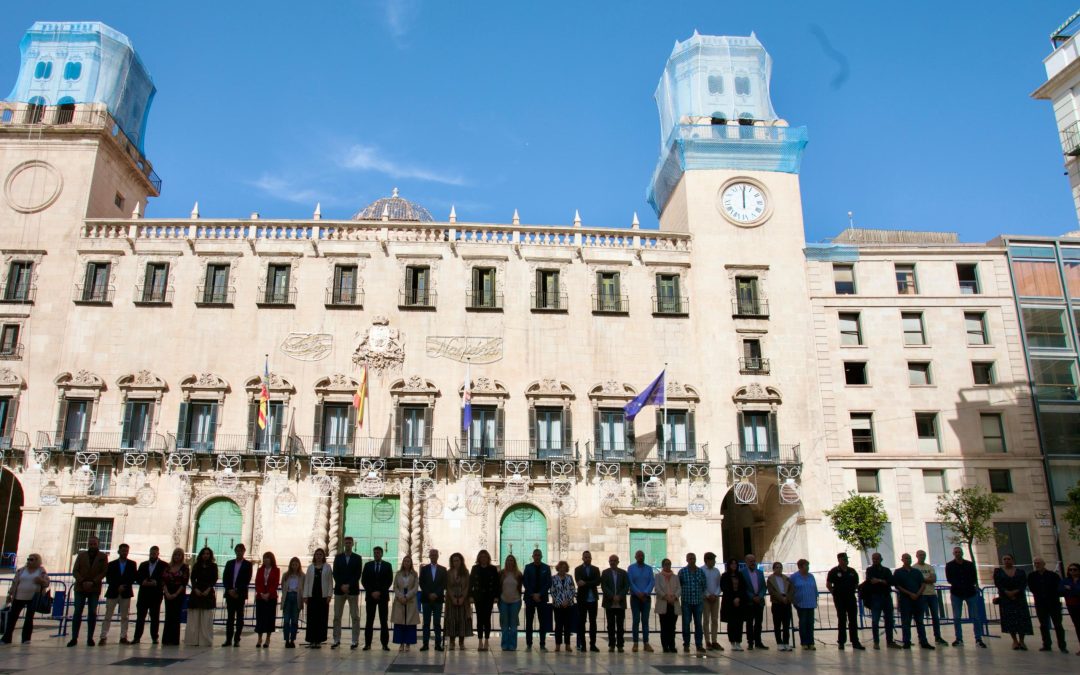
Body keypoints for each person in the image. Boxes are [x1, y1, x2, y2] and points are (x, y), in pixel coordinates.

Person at [68, 535, 107, 647]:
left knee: (92, 613)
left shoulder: (102, 556)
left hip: (94, 588)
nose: (92, 546)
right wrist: (83, 581)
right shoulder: (81, 555)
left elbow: (104, 571)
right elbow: (75, 570)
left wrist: (93, 582)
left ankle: (90, 638)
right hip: (80, 587)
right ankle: (74, 637)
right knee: (77, 612)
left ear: (98, 544)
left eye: (94, 544)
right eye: (90, 544)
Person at [1, 552, 49, 644]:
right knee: (12, 617)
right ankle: (6, 638)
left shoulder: (41, 571)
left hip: (32, 597)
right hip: (19, 596)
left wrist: (41, 580)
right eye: (28, 559)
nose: (29, 561)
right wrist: (10, 594)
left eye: (32, 559)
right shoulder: (22, 570)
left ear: (37, 561)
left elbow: (47, 582)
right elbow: (15, 582)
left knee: (29, 618)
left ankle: (26, 638)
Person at [944, 546, 985, 647]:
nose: (958, 553)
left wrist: (969, 585)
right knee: (957, 617)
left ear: (962, 553)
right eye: (956, 552)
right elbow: (949, 579)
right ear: (954, 554)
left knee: (975, 617)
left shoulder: (969, 564)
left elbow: (974, 577)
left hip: (970, 592)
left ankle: (978, 638)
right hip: (956, 593)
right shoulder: (949, 565)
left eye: (959, 552)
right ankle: (959, 638)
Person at [99, 542, 137, 645]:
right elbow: (109, 578)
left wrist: (123, 586)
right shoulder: (111, 564)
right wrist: (117, 586)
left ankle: (123, 636)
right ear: (119, 551)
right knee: (108, 615)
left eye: (126, 551)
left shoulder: (132, 564)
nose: (125, 552)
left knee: (125, 616)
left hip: (125, 592)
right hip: (113, 592)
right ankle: (103, 636)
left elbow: (132, 577)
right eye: (123, 550)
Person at [893, 552, 932, 649]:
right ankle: (906, 641)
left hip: (918, 600)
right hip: (905, 600)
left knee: (920, 621)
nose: (908, 560)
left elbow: (922, 584)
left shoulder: (916, 571)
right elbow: (898, 586)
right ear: (902, 560)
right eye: (906, 558)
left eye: (909, 558)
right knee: (906, 622)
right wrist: (910, 594)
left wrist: (917, 594)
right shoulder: (898, 572)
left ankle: (923, 641)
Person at [994, 554, 1033, 650]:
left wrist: (1015, 592)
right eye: (1005, 559)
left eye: (1009, 559)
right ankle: (1014, 641)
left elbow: (1023, 583)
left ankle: (1022, 641)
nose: (1007, 560)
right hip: (1006, 599)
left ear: (1012, 560)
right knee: (1010, 619)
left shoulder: (1020, 572)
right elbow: (998, 584)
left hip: (1019, 598)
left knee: (1021, 619)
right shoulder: (998, 572)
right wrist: (1007, 592)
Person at [826, 552, 864, 650]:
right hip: (840, 599)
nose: (845, 560)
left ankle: (855, 641)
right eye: (843, 559)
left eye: (846, 558)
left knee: (853, 620)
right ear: (839, 560)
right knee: (842, 620)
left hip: (850, 597)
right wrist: (834, 593)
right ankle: (841, 642)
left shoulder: (852, 571)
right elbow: (829, 584)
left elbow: (856, 584)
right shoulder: (834, 571)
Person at [1028, 557, 1066, 652]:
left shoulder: (1053, 575)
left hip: (1053, 603)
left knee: (1058, 625)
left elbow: (1058, 587)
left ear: (1044, 564)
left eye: (1039, 563)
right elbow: (1032, 587)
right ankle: (1046, 644)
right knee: (1043, 625)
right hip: (1041, 603)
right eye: (1035, 563)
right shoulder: (1032, 576)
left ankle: (1062, 645)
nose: (1037, 565)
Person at [331, 537, 362, 650]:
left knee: (355, 617)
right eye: (346, 542)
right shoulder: (338, 557)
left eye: (350, 542)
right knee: (337, 616)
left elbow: (358, 574)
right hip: (340, 590)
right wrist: (341, 585)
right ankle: (336, 639)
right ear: (344, 544)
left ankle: (355, 640)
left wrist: (348, 585)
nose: (348, 544)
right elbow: (335, 573)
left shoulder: (357, 558)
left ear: (352, 544)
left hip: (352, 590)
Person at [864, 552, 899, 649]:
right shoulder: (870, 570)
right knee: (875, 620)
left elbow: (891, 581)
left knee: (889, 620)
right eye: (873, 558)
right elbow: (871, 580)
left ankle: (890, 641)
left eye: (877, 558)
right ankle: (876, 642)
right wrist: (883, 581)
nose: (875, 560)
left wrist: (880, 581)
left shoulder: (886, 570)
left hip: (886, 596)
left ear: (881, 559)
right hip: (876, 597)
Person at [912, 550, 948, 646]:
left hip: (932, 594)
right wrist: (926, 579)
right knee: (920, 618)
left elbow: (933, 579)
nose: (922, 556)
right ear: (916, 556)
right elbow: (916, 581)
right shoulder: (914, 568)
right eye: (920, 555)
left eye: (924, 555)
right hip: (921, 595)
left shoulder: (929, 567)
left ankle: (938, 636)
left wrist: (923, 579)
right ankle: (922, 638)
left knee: (935, 617)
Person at [361, 546, 393, 651]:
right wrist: (371, 592)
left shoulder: (387, 566)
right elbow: (364, 580)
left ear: (382, 554)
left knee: (384, 621)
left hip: (383, 597)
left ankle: (385, 644)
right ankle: (367, 644)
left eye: (378, 552)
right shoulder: (367, 565)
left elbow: (389, 581)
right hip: (370, 597)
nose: (376, 554)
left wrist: (379, 592)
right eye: (375, 552)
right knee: (369, 620)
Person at [185, 547, 218, 647]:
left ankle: (205, 640)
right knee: (194, 617)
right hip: (197, 592)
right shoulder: (196, 565)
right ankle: (192, 639)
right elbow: (193, 578)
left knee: (206, 617)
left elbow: (214, 579)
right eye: (204, 553)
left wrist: (208, 589)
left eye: (208, 554)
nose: (206, 555)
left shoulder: (213, 566)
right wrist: (195, 589)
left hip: (207, 592)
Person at [221, 543, 252, 647]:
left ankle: (237, 639)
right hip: (230, 594)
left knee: (239, 618)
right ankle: (228, 639)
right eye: (237, 550)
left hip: (240, 595)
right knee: (230, 618)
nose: (239, 552)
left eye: (241, 550)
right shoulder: (229, 563)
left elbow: (247, 580)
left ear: (244, 551)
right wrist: (229, 589)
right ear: (235, 551)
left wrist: (237, 591)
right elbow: (225, 578)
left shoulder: (248, 565)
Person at [132, 546, 165, 645]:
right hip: (144, 595)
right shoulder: (143, 565)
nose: (153, 555)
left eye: (155, 553)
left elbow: (165, 578)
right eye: (151, 553)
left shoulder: (164, 565)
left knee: (155, 617)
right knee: (140, 617)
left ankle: (155, 637)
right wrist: (143, 581)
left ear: (158, 554)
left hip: (155, 595)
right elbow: (138, 577)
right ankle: (137, 637)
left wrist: (157, 582)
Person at [469, 549, 499, 651]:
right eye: (481, 557)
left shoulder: (493, 569)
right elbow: (471, 583)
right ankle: (480, 641)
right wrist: (471, 596)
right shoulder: (475, 568)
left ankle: (486, 641)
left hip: (489, 597)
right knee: (479, 619)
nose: (483, 559)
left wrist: (496, 596)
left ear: (488, 558)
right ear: (479, 558)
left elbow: (496, 583)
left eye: (485, 557)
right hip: (478, 597)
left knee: (487, 619)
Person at [522, 548, 551, 651]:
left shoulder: (546, 568)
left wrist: (540, 594)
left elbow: (548, 583)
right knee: (529, 622)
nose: (537, 556)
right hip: (530, 599)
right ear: (533, 556)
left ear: (541, 556)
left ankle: (542, 643)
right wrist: (533, 594)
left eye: (539, 555)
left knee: (542, 622)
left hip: (542, 599)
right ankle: (529, 643)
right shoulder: (528, 567)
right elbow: (525, 582)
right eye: (535, 555)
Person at [303, 548, 333, 648]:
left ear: (323, 556)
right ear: (314, 556)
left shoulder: (327, 567)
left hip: (323, 596)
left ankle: (319, 640)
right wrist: (305, 595)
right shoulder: (310, 567)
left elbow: (330, 582)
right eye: (317, 554)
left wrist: (329, 595)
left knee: (321, 618)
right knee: (311, 618)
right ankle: (311, 639)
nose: (318, 556)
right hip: (312, 596)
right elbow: (306, 582)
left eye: (320, 554)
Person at [419, 548, 447, 651]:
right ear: (429, 556)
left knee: (437, 623)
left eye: (435, 555)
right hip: (426, 599)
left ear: (437, 556)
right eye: (432, 555)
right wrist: (429, 594)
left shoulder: (443, 570)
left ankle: (438, 644)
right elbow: (421, 583)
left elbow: (444, 583)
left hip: (438, 600)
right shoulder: (424, 569)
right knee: (426, 623)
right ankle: (425, 644)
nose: (433, 556)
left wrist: (436, 594)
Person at [444, 552, 473, 650]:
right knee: (452, 619)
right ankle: (452, 642)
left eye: (457, 560)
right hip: (451, 600)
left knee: (462, 620)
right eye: (454, 561)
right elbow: (447, 586)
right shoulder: (448, 572)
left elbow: (467, 586)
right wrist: (452, 597)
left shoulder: (466, 572)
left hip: (463, 600)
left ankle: (461, 642)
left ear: (461, 561)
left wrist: (462, 598)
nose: (455, 562)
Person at [628, 549, 655, 653]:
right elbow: (630, 581)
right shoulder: (631, 568)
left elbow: (651, 581)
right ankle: (635, 643)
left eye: (642, 556)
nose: (640, 557)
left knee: (645, 621)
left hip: (646, 598)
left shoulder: (649, 568)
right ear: (635, 557)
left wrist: (645, 592)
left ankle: (646, 643)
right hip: (635, 598)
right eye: (638, 556)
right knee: (636, 621)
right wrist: (638, 592)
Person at [678, 552, 706, 653]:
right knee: (686, 623)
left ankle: (699, 644)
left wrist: (701, 595)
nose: (692, 560)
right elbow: (679, 585)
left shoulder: (700, 572)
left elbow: (704, 585)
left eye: (693, 558)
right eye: (690, 558)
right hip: (686, 601)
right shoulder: (682, 572)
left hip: (698, 602)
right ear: (687, 560)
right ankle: (686, 644)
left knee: (698, 623)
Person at [601, 554, 629, 652]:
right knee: (610, 625)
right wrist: (612, 596)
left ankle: (620, 645)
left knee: (620, 625)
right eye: (611, 560)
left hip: (620, 603)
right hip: (609, 603)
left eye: (614, 560)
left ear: (618, 562)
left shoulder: (623, 573)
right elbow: (604, 586)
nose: (612, 562)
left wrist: (619, 596)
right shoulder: (605, 573)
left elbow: (626, 586)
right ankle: (611, 645)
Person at [574, 550, 601, 652]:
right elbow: (579, 582)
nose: (587, 559)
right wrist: (590, 583)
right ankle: (583, 645)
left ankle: (592, 644)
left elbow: (598, 582)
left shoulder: (596, 569)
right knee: (582, 622)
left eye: (589, 557)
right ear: (582, 558)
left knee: (593, 622)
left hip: (593, 599)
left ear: (591, 558)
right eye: (585, 557)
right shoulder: (578, 569)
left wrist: (585, 583)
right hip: (582, 599)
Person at [160, 548, 189, 647]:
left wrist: (176, 594)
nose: (177, 557)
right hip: (168, 592)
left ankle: (174, 639)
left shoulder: (185, 567)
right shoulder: (168, 567)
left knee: (176, 616)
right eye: (175, 555)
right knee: (169, 615)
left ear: (182, 556)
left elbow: (184, 582)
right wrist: (167, 593)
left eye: (179, 555)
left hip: (179, 593)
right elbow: (163, 580)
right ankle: (166, 639)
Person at [391, 555, 419, 652]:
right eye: (405, 561)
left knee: (409, 623)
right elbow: (395, 586)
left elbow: (415, 588)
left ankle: (408, 644)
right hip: (400, 601)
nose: (406, 563)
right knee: (400, 623)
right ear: (403, 563)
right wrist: (400, 596)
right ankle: (401, 643)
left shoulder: (415, 574)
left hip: (410, 600)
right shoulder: (398, 574)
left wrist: (407, 596)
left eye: (408, 561)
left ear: (411, 563)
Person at [654, 558, 681, 654]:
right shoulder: (658, 576)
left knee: (672, 626)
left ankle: (672, 645)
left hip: (673, 603)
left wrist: (674, 597)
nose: (667, 566)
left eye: (669, 564)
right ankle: (665, 646)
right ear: (663, 565)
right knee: (664, 626)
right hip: (663, 603)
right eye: (666, 564)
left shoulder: (675, 577)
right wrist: (666, 597)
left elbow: (679, 588)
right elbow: (657, 588)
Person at [720, 558, 747, 651]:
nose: (734, 565)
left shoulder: (740, 575)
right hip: (729, 602)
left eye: (735, 563)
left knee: (739, 622)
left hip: (739, 602)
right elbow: (724, 588)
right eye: (732, 564)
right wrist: (733, 598)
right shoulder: (725, 576)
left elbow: (743, 587)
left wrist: (738, 597)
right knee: (731, 623)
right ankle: (732, 642)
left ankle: (738, 641)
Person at [254, 551, 279, 648]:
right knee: (260, 617)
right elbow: (257, 582)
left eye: (267, 558)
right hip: (260, 597)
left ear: (271, 559)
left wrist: (268, 594)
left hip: (271, 597)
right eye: (264, 558)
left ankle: (268, 638)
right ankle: (259, 638)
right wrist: (261, 593)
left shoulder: (276, 570)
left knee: (269, 618)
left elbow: (276, 583)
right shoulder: (260, 570)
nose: (265, 560)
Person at [742, 554, 767, 650]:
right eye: (751, 561)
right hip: (749, 602)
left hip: (759, 602)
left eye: (754, 561)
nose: (753, 563)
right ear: (747, 562)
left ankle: (758, 641)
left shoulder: (760, 573)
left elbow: (763, 587)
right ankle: (750, 642)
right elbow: (744, 588)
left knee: (758, 623)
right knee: (749, 623)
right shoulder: (743, 573)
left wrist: (760, 596)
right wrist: (752, 597)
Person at [767, 561, 794, 651]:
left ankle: (786, 642)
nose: (779, 569)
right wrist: (781, 598)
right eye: (777, 567)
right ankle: (779, 642)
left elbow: (791, 589)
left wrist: (788, 598)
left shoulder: (786, 578)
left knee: (786, 624)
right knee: (777, 624)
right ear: (774, 569)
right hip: (777, 603)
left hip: (786, 602)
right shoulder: (770, 579)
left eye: (780, 567)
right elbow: (772, 591)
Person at [498, 554, 523, 651]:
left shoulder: (518, 574)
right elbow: (498, 587)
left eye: (511, 560)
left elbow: (520, 587)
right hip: (503, 601)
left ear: (514, 562)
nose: (510, 562)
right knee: (504, 625)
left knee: (513, 625)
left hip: (515, 601)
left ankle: (512, 645)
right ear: (505, 562)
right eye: (508, 560)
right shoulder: (501, 574)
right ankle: (504, 645)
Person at [551, 560, 576, 652]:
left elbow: (573, 590)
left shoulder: (570, 577)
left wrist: (567, 601)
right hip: (558, 605)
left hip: (568, 605)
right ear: (558, 568)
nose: (562, 569)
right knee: (558, 625)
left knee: (567, 625)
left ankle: (568, 645)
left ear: (566, 569)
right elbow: (553, 592)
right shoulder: (553, 578)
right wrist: (561, 601)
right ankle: (557, 645)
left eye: (564, 568)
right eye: (561, 568)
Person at [699, 552, 721, 652]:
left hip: (715, 598)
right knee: (706, 619)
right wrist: (708, 595)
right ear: (707, 560)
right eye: (712, 560)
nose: (714, 562)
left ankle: (714, 640)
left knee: (715, 619)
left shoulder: (716, 571)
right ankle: (707, 641)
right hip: (705, 598)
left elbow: (719, 584)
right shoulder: (701, 570)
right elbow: (701, 585)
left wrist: (716, 594)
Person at [280, 557, 304, 648]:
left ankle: (292, 639)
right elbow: (283, 586)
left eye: (296, 564)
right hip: (288, 597)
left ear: (299, 565)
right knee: (286, 620)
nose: (294, 566)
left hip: (297, 597)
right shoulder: (285, 575)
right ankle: (286, 639)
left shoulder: (302, 576)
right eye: (293, 564)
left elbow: (303, 587)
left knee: (294, 620)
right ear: (290, 565)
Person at [1062, 562, 1080, 655]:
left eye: (1074, 569)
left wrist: (1071, 588)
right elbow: (1060, 590)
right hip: (1072, 606)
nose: (1072, 571)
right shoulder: (1066, 580)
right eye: (1070, 570)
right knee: (1077, 626)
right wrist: (1072, 589)